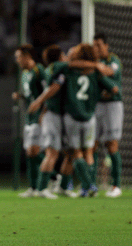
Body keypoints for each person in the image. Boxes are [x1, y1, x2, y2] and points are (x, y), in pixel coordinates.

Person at [29, 44, 119, 197]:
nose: (67, 56)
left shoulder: (68, 71)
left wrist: (39, 103)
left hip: (71, 117)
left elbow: (56, 86)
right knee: (86, 152)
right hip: (89, 117)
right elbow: (114, 89)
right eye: (65, 54)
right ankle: (84, 187)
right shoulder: (93, 72)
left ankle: (84, 186)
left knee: (74, 153)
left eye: (70, 53)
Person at [31, 44, 76, 198]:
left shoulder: (51, 69)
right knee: (52, 152)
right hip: (54, 116)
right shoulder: (59, 67)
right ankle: (41, 188)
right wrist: (39, 102)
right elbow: (54, 87)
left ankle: (63, 187)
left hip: (58, 115)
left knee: (69, 152)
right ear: (59, 57)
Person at [12, 44, 46, 198]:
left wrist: (43, 113)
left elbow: (47, 93)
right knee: (30, 152)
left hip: (40, 116)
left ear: (27, 56)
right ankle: (33, 188)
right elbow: (30, 95)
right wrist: (21, 96)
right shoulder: (25, 73)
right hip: (29, 116)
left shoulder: (39, 70)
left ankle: (50, 177)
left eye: (19, 57)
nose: (17, 60)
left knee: (35, 151)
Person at [93, 33, 123, 198]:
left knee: (111, 144)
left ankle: (116, 185)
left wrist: (98, 69)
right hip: (97, 105)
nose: (96, 48)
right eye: (94, 45)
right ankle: (91, 186)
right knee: (93, 144)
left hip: (112, 106)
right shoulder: (95, 63)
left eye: (99, 45)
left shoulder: (114, 60)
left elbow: (110, 72)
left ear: (106, 45)